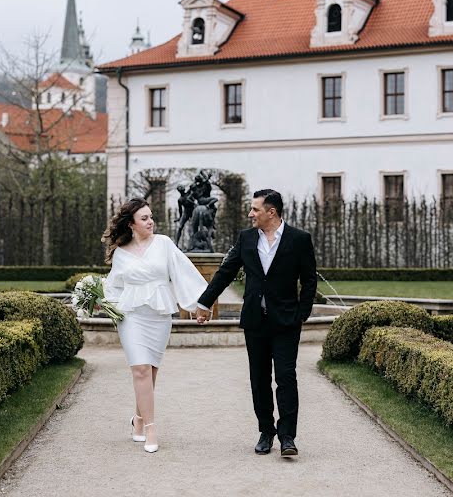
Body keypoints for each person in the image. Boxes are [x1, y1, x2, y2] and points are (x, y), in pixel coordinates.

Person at [195, 189, 317, 458]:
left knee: (286, 378)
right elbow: (226, 271)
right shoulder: (246, 238)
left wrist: (302, 314)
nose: (250, 214)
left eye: (255, 209)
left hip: (286, 322)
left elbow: (309, 281)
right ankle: (266, 430)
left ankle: (287, 436)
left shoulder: (299, 239)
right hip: (255, 321)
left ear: (271, 212)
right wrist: (204, 303)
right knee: (259, 379)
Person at [101, 197, 207, 453]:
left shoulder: (164, 244)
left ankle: (138, 419)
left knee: (151, 373)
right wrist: (101, 300)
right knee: (140, 369)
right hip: (131, 315)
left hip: (158, 315)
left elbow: (184, 272)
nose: (151, 222)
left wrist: (199, 304)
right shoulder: (120, 254)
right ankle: (150, 427)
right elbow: (114, 286)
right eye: (144, 218)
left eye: (151, 217)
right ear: (131, 224)